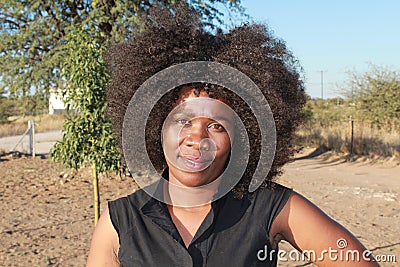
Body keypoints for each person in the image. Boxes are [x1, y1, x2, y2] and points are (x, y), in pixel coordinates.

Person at [86, 4, 378, 267]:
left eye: (217, 126)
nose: (196, 137)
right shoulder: (119, 223)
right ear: (157, 125)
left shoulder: (271, 207)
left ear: (242, 138)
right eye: (183, 120)